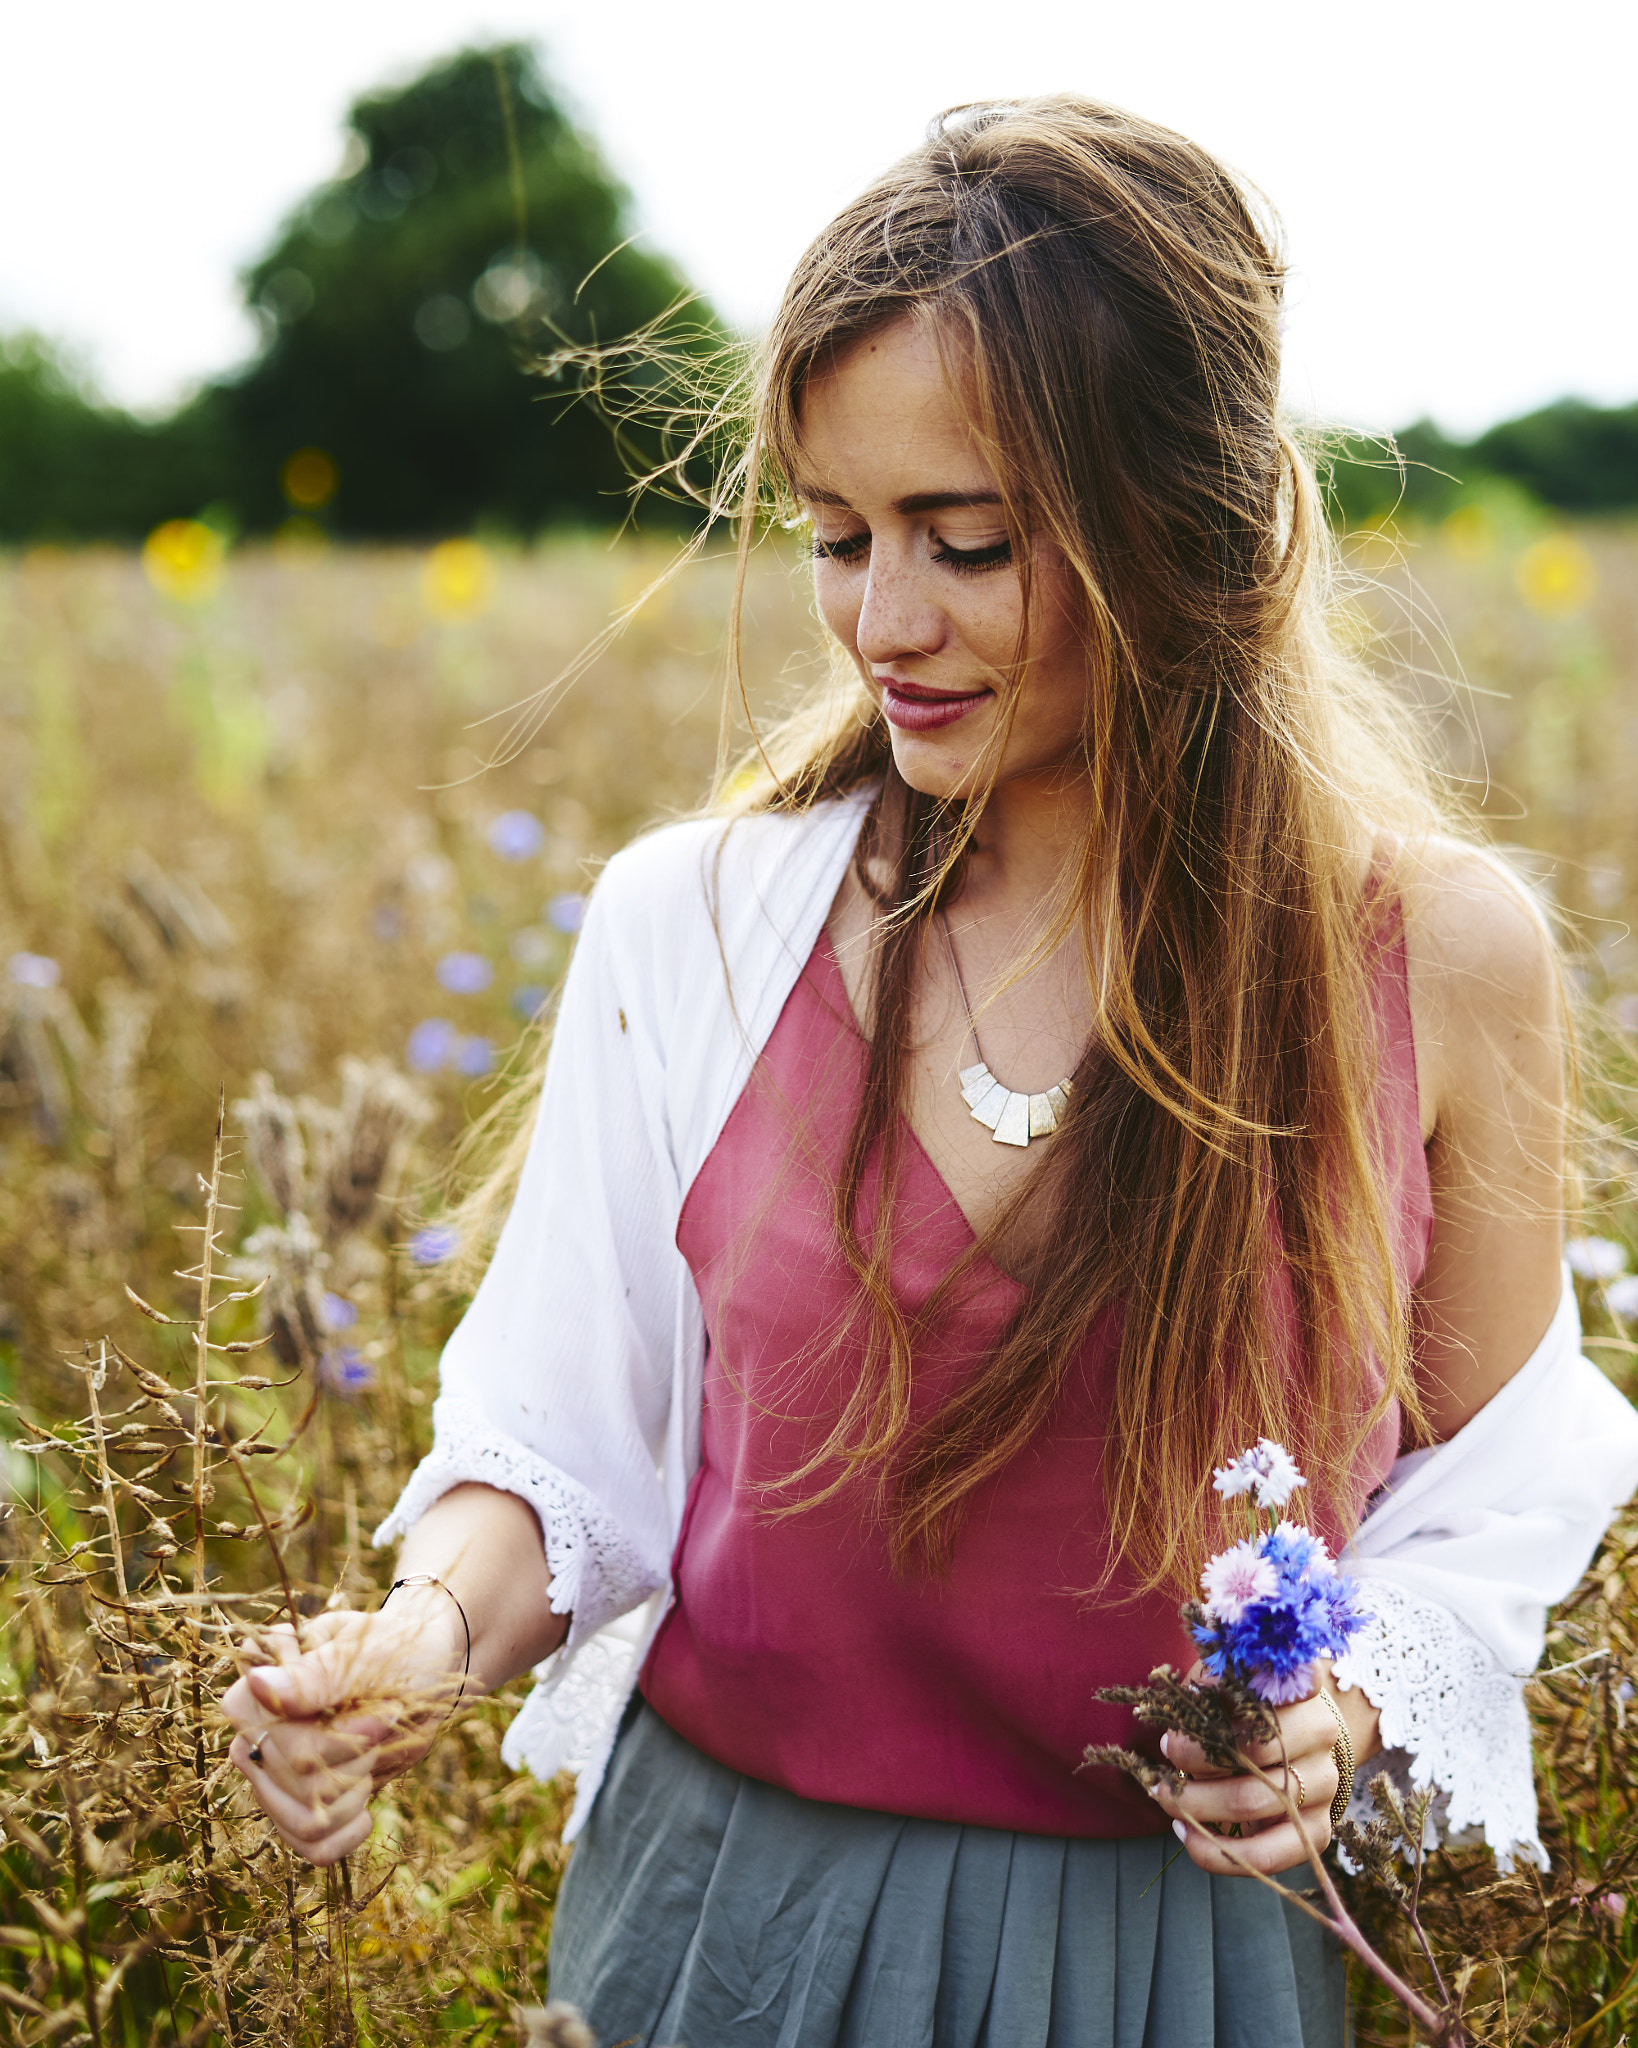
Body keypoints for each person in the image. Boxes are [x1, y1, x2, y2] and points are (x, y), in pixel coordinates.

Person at [222, 98, 1638, 2045]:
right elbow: (563, 1439)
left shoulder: (1429, 959)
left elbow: (1496, 1483)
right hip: (724, 1928)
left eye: (963, 543)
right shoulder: (696, 924)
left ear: (1191, 526)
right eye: (835, 537)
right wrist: (413, 1643)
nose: (884, 626)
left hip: (1181, 1964)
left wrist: (1348, 1702)